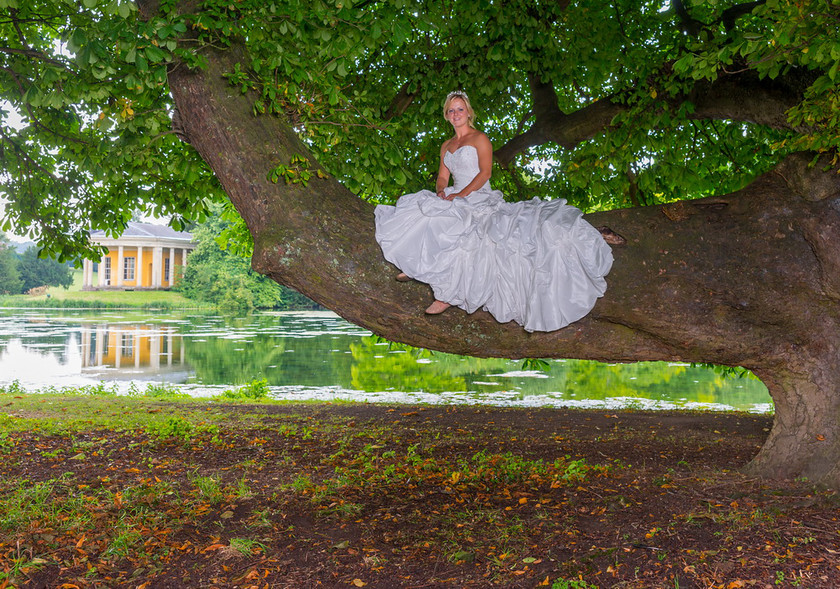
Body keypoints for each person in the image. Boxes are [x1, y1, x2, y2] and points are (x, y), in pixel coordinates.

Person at [374, 91, 615, 333]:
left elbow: (485, 174)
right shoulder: (446, 146)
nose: (456, 114)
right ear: (446, 116)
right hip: (455, 194)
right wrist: (441, 191)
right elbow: (442, 176)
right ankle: (417, 266)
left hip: (478, 195)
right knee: (424, 210)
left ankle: (448, 295)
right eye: (451, 110)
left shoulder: (480, 138)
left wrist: (461, 194)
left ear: (468, 112)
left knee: (474, 235)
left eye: (460, 109)